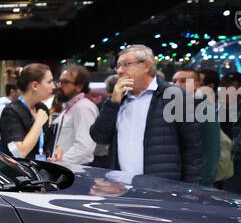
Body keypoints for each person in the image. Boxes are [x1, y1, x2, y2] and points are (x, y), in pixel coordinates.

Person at [90, 45, 202, 183]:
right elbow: (99, 137)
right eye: (118, 66)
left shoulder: (175, 96)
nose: (119, 71)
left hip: (161, 189)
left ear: (147, 65)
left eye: (126, 65)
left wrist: (188, 190)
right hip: (119, 187)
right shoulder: (118, 100)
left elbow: (193, 148)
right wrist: (113, 103)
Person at [171, 67, 221, 186]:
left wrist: (203, 181)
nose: (177, 85)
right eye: (174, 81)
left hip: (198, 182)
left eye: (183, 81)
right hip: (176, 179)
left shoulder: (206, 110)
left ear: (197, 85)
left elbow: (211, 150)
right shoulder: (171, 109)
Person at [0, 63, 52, 160]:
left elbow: (43, 146)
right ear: (35, 85)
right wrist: (38, 123)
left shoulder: (42, 108)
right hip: (20, 173)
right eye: (49, 82)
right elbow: (18, 153)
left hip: (41, 170)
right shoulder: (11, 111)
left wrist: (53, 152)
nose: (53, 86)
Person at [50, 64, 98, 166]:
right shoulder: (70, 106)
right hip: (64, 167)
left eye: (65, 82)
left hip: (74, 170)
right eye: (60, 81)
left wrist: (59, 164)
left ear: (79, 87)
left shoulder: (84, 108)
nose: (59, 86)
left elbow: (84, 147)